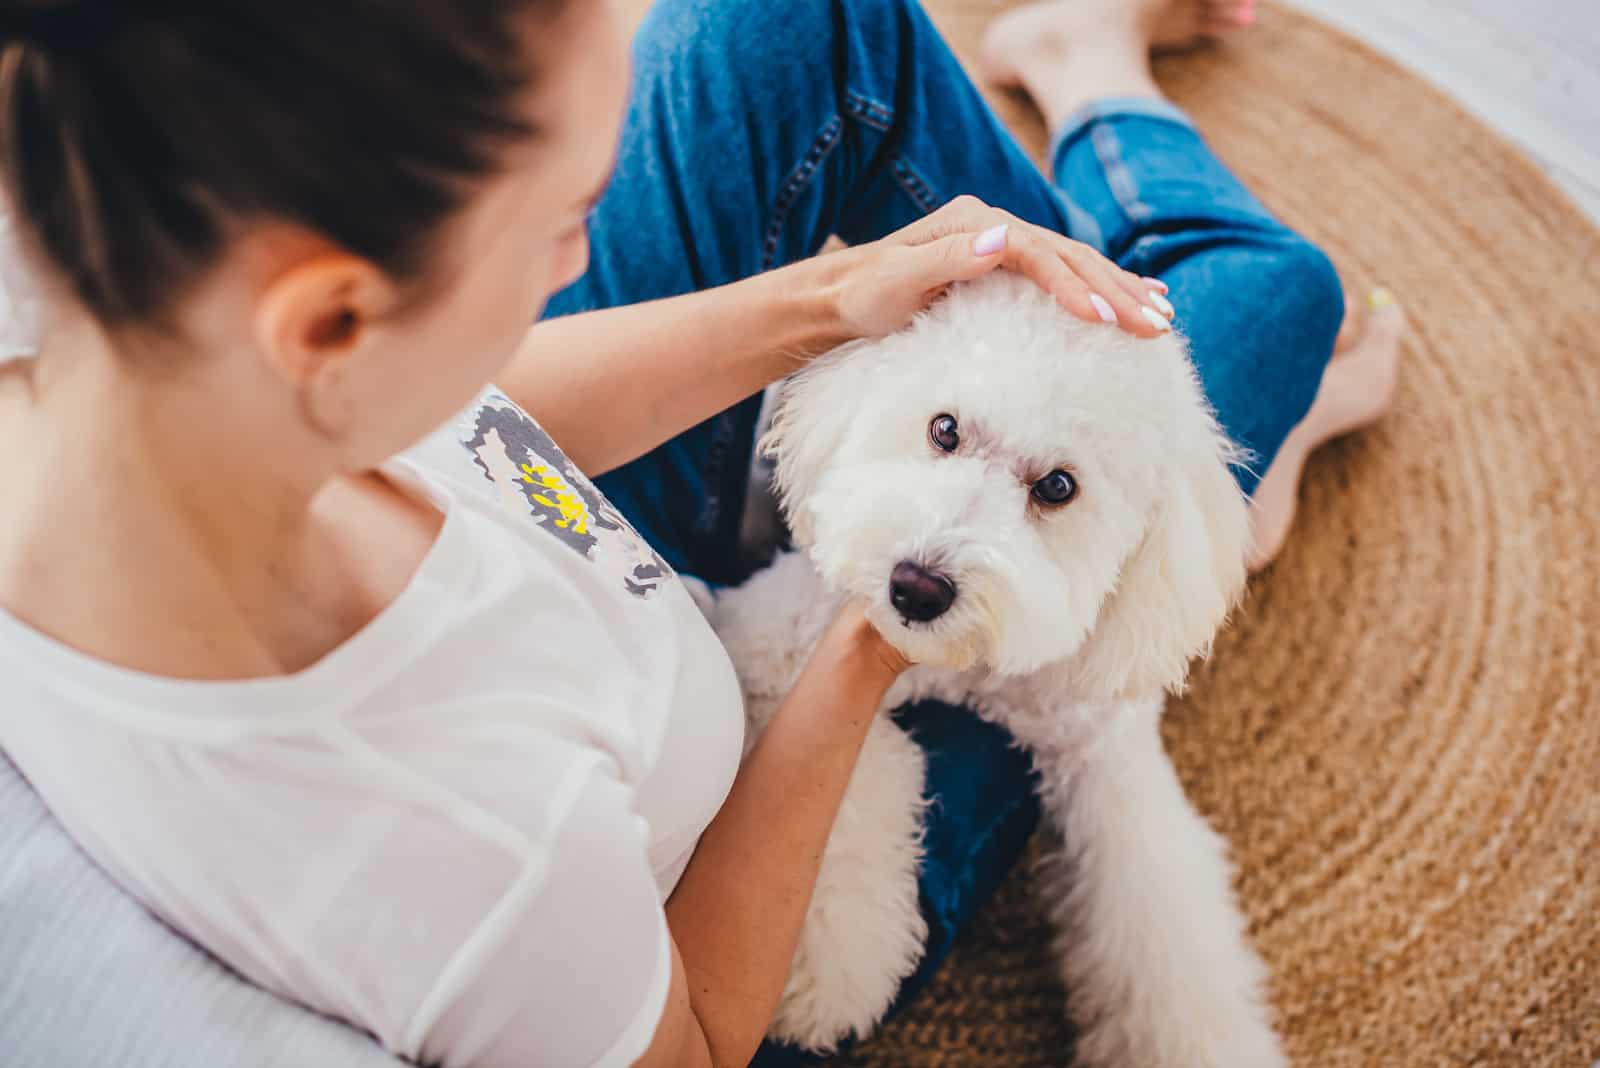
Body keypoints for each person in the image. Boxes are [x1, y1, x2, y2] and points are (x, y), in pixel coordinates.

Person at [0, 0, 1401, 1066]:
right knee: (1273, 298)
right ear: (333, 320)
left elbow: (474, 421)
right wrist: (872, 632)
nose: (577, 264)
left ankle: (1134, 448)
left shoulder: (120, 327)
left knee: (800, 19)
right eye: (565, 223)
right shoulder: (487, 846)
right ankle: (1098, 79)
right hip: (774, 788)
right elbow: (715, 1031)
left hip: (585, 539)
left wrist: (836, 298)